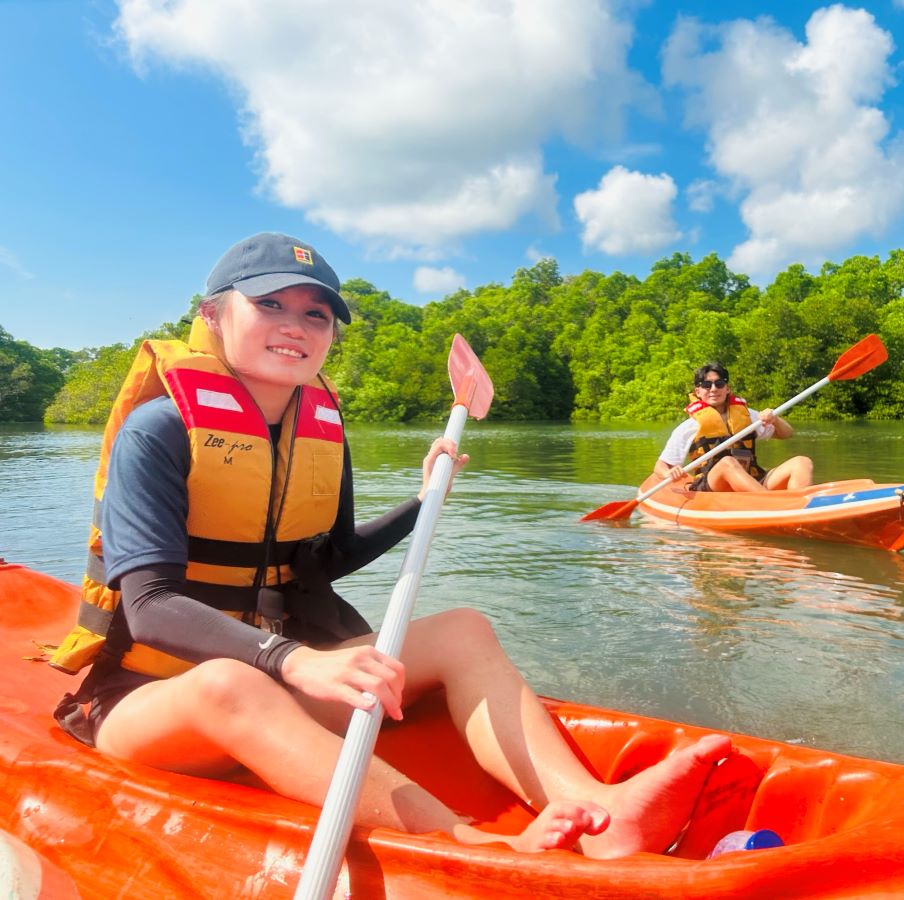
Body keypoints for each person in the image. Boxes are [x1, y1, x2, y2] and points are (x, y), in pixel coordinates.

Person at [50, 232, 730, 858]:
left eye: (316, 315)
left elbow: (329, 559)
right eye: (270, 304)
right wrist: (292, 662)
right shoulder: (159, 430)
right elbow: (148, 604)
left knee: (464, 628)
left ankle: (599, 813)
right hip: (151, 700)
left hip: (275, 680)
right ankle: (471, 846)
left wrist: (422, 502)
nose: (295, 325)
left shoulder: (320, 429)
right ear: (212, 316)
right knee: (229, 684)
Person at [653, 362, 813, 492]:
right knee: (727, 462)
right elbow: (660, 466)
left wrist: (775, 420)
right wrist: (668, 472)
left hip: (753, 479)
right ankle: (770, 503)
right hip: (712, 485)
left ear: (727, 388)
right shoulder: (689, 426)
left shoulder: (748, 415)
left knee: (802, 462)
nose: (714, 389)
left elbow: (786, 434)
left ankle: (799, 504)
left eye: (719, 383)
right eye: (707, 385)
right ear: (698, 391)